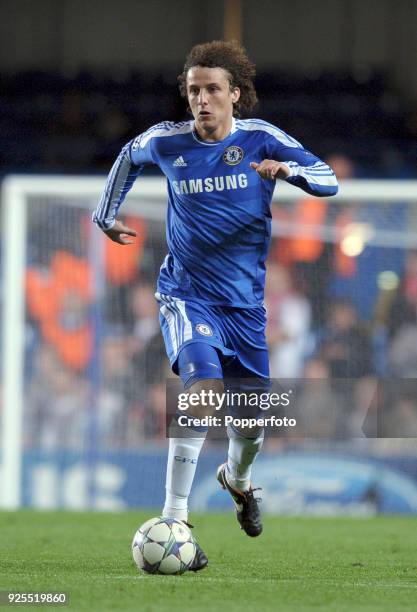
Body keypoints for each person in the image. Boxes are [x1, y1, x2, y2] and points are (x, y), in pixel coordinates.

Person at [93, 40, 338, 571]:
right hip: (186, 294)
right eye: (193, 90)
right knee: (201, 393)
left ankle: (238, 481)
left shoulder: (261, 139)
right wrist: (105, 214)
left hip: (245, 307)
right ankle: (175, 519)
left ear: (235, 94)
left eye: (211, 90)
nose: (201, 99)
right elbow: (125, 158)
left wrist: (288, 173)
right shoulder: (167, 141)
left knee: (249, 428)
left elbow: (328, 178)